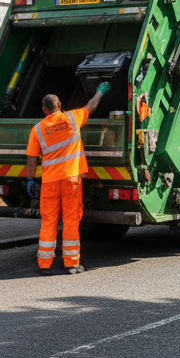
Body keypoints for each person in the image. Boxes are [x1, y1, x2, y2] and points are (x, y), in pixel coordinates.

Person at [25, 83, 109, 275]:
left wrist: (29, 179)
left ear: (44, 109)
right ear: (60, 105)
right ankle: (71, 264)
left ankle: (44, 265)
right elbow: (91, 106)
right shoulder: (72, 118)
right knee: (71, 221)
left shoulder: (37, 129)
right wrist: (100, 91)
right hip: (71, 179)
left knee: (48, 221)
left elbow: (31, 158)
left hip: (49, 183)